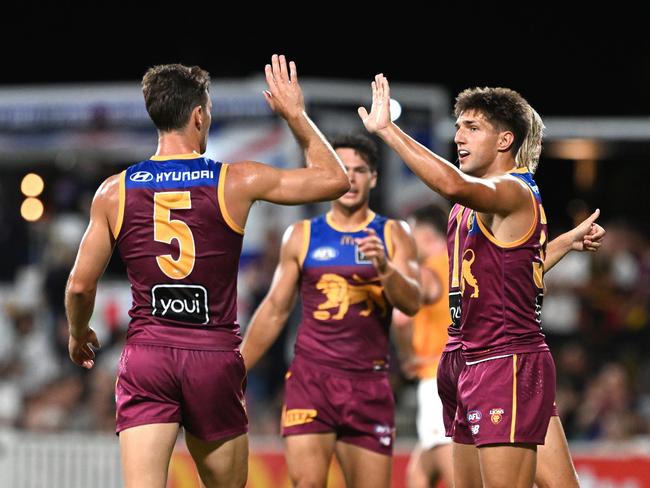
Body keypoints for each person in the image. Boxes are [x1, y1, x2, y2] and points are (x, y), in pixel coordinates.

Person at [65, 55, 350, 488]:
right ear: (199, 115)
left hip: (148, 357)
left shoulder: (114, 190)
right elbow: (334, 179)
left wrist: (77, 332)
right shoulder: (235, 180)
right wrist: (295, 113)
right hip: (213, 358)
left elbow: (80, 285)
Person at [359, 76, 602, 487]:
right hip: (463, 355)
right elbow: (514, 269)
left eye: (472, 128)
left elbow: (452, 182)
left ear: (505, 140)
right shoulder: (467, 208)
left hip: (504, 358)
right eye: (459, 127)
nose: (459, 137)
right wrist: (566, 242)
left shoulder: (511, 191)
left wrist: (387, 131)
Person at [241, 133, 421, 488]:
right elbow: (276, 308)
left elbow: (411, 302)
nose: (350, 179)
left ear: (374, 177)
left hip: (368, 383)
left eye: (359, 170)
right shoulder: (302, 234)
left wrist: (385, 267)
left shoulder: (394, 233)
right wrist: (237, 368)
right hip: (312, 379)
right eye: (342, 169)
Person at [392, 203, 454, 488]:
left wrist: (406, 356)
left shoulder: (426, 272)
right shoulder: (462, 264)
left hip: (435, 379)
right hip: (462, 374)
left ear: (425, 236)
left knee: (453, 469)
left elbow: (401, 319)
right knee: (418, 474)